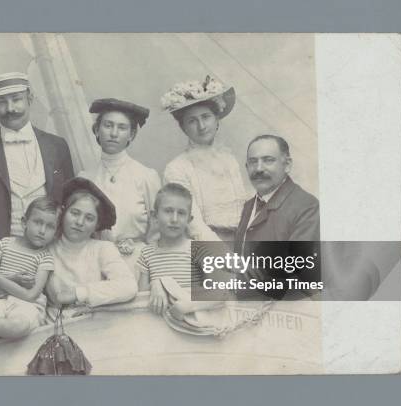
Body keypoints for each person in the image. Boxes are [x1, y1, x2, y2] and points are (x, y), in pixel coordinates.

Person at [0, 72, 75, 255]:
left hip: (52, 251)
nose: (10, 108)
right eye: (1, 102)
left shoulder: (57, 146)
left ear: (30, 99)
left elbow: (70, 201)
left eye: (16, 99)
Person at [0, 196, 60, 376]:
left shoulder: (45, 258)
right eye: (38, 222)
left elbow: (31, 295)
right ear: (24, 222)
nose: (42, 231)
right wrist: (12, 278)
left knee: (18, 326)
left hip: (26, 306)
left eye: (50, 227)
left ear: (55, 232)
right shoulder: (6, 243)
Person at [161, 76, 248, 242]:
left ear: (216, 120)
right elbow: (192, 222)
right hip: (204, 246)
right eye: (192, 121)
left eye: (206, 117)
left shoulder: (229, 159)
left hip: (241, 242)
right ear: (183, 127)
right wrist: (223, 254)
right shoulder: (177, 168)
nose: (202, 126)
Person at [79, 98, 161, 273]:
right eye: (108, 125)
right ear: (97, 130)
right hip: (96, 264)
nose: (114, 133)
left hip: (137, 263)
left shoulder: (146, 176)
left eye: (122, 128)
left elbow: (157, 231)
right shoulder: (85, 178)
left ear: (131, 135)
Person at [234, 134, 320, 299]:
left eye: (268, 160)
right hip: (247, 307)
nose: (259, 168)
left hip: (285, 309)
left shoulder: (307, 206)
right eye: (253, 162)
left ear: (287, 165)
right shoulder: (248, 206)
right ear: (246, 167)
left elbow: (297, 273)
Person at [45, 177, 138, 313]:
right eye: (75, 213)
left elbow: (128, 286)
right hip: (55, 325)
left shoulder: (102, 249)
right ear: (63, 213)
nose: (80, 222)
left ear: (97, 225)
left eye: (89, 218)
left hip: (91, 323)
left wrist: (80, 293)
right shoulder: (47, 249)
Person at [136, 183, 223, 321]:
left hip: (192, 322)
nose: (174, 219)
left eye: (181, 213)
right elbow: (141, 298)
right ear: (154, 216)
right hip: (159, 325)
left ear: (189, 219)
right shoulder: (147, 253)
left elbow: (220, 294)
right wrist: (156, 284)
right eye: (168, 211)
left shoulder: (198, 249)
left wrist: (189, 305)